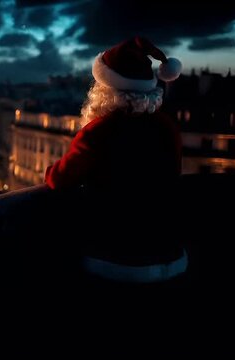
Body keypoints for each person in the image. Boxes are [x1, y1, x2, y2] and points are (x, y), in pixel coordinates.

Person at [46, 37, 186, 283]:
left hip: (116, 258)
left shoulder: (100, 130)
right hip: (169, 254)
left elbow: (58, 179)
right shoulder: (166, 126)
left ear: (104, 91)